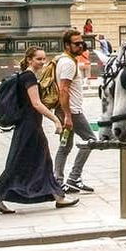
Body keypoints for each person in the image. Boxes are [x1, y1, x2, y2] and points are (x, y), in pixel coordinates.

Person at [0, 47, 79, 213]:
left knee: (38, 161)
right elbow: (36, 103)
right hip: (30, 127)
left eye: (44, 59)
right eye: (38, 59)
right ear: (29, 59)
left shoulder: (25, 75)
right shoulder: (29, 77)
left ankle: (58, 196)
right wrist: (56, 120)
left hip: (27, 125)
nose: (42, 62)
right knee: (22, 162)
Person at [54, 30, 96, 194]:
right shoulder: (68, 64)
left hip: (66, 110)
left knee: (65, 145)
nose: (81, 46)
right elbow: (63, 90)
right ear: (67, 45)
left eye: (81, 43)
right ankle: (72, 178)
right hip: (72, 111)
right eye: (76, 43)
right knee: (90, 140)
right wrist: (68, 116)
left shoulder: (64, 60)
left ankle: (58, 180)